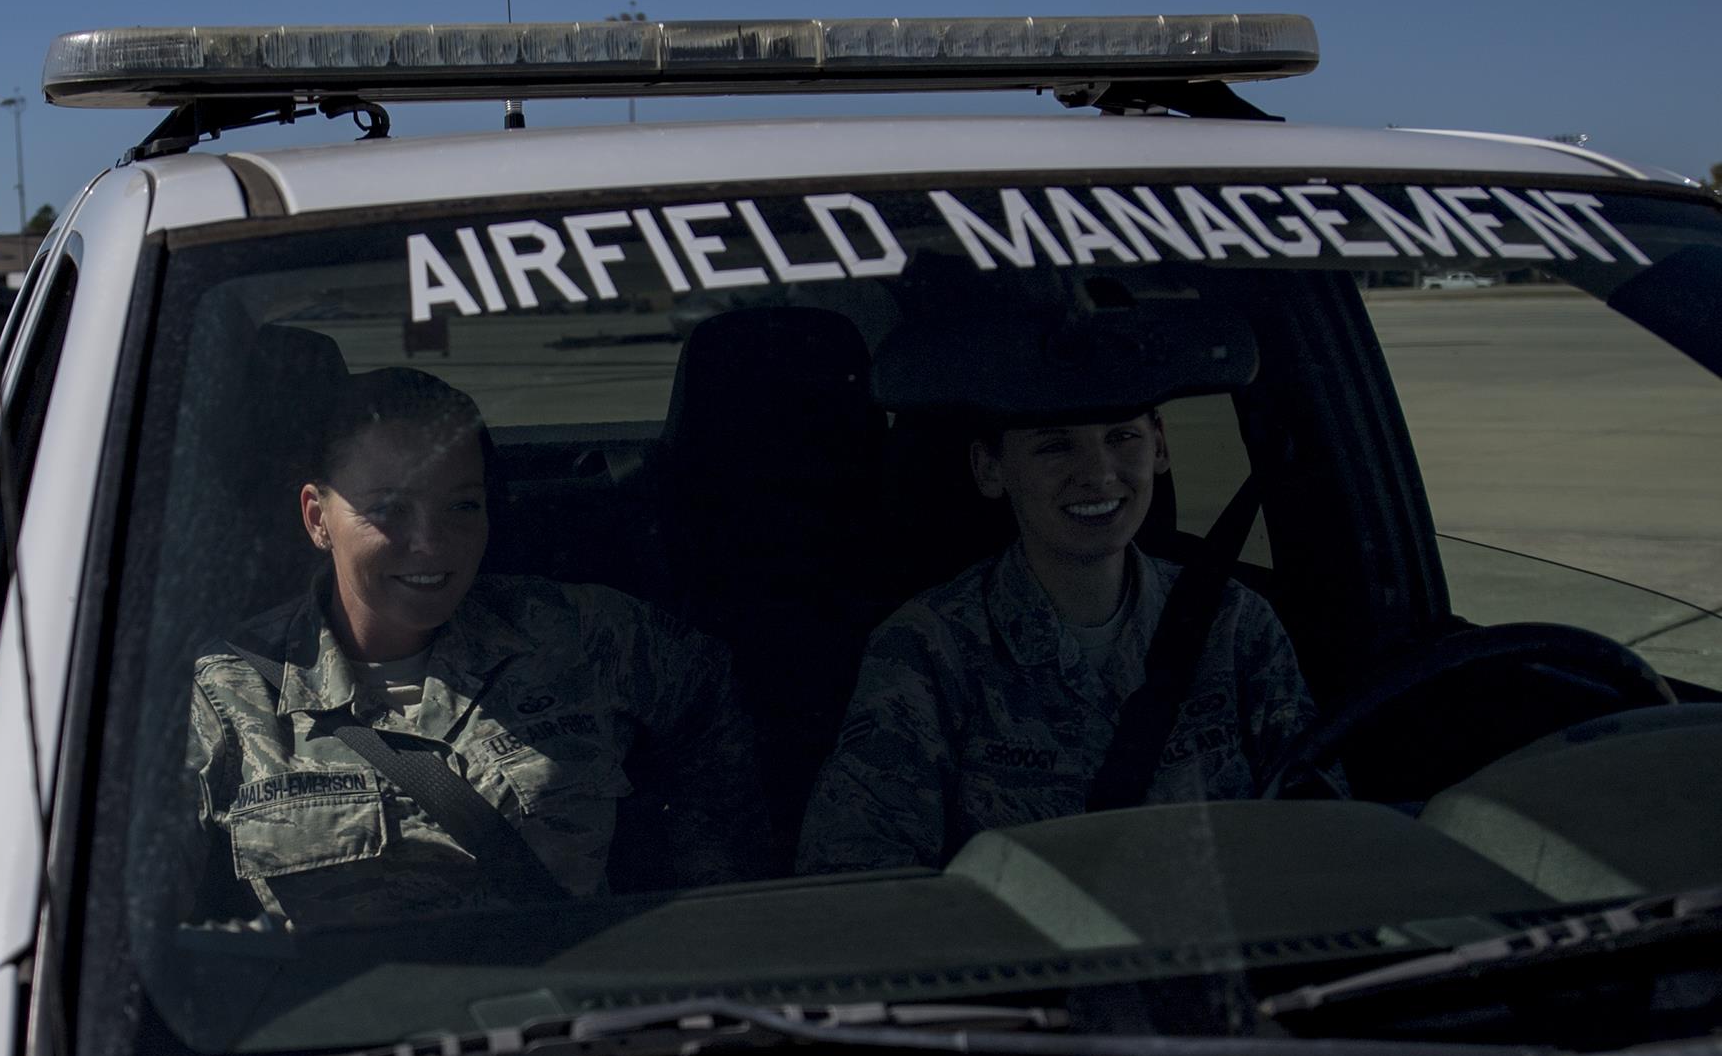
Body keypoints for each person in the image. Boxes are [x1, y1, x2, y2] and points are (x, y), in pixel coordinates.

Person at [186, 367, 773, 926]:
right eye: (388, 510)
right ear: (318, 518)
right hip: (342, 1023)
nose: (431, 543)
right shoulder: (226, 691)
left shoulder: (581, 635)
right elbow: (134, 906)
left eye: (462, 506)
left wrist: (698, 904)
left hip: (564, 1018)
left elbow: (712, 708)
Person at [795, 406, 1325, 873]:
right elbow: (860, 881)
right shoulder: (929, 648)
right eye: (1054, 445)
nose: (1097, 473)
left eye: (1122, 436)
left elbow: (1318, 835)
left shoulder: (1234, 624)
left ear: (1160, 445)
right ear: (989, 468)